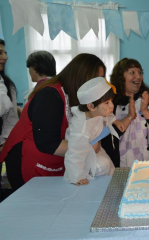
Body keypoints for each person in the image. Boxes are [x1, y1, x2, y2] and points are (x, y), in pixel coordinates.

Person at [0, 53, 106, 192]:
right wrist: (87, 148)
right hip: (27, 160)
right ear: (82, 77)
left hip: (50, 161)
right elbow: (47, 142)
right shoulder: (50, 94)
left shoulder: (72, 96)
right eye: (95, 81)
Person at [102, 58, 149, 167]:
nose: (138, 76)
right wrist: (129, 117)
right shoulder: (111, 101)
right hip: (121, 165)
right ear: (120, 77)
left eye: (140, 72)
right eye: (132, 72)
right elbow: (107, 138)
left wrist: (145, 111)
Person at [64, 77, 118, 185]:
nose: (112, 105)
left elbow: (107, 116)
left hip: (95, 148)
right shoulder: (80, 128)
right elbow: (75, 153)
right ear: (91, 106)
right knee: (103, 165)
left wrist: (116, 121)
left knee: (110, 167)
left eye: (111, 101)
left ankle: (109, 184)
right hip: (84, 154)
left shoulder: (95, 112)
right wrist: (77, 177)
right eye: (107, 103)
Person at [0, 39, 18, 151]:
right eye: (0, 53)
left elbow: (11, 120)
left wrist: (4, 144)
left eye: (5, 53)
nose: (5, 57)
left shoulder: (8, 86)